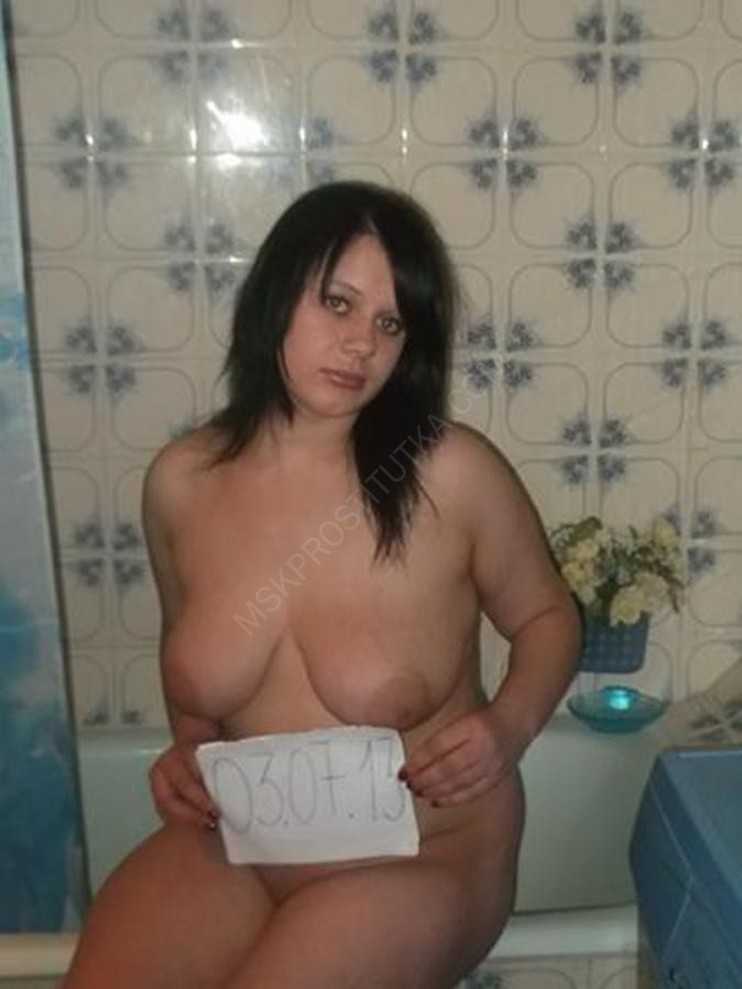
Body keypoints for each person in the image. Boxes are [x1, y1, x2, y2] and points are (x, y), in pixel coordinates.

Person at [62, 180, 580, 989]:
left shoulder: (449, 472)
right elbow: (187, 654)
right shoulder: (181, 483)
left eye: (389, 323)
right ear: (276, 296)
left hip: (423, 855)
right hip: (244, 841)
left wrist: (508, 726)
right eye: (337, 303)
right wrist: (190, 746)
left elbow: (550, 616)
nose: (360, 344)